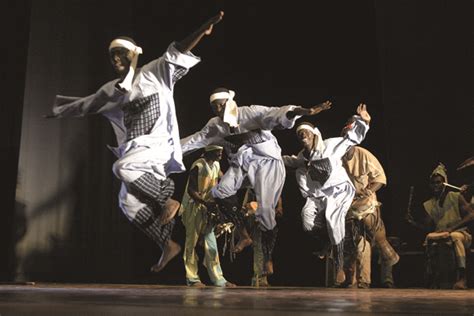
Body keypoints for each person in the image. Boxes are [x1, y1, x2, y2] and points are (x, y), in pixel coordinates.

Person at [46, 12, 224, 274]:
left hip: (157, 146)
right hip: (136, 151)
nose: (116, 58)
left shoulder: (155, 72)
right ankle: (168, 244)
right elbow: (87, 104)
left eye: (121, 53)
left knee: (121, 168)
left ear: (133, 54)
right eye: (112, 55)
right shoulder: (112, 89)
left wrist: (201, 30)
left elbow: (177, 50)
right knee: (127, 204)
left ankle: (166, 198)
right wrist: (58, 112)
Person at [181, 87, 331, 274]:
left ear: (229, 102)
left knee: (265, 214)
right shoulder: (215, 125)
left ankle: (267, 259)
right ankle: (244, 236)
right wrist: (167, 151)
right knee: (219, 192)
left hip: (267, 164)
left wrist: (302, 111)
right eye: (215, 107)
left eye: (221, 105)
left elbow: (276, 114)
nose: (219, 110)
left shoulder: (250, 113)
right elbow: (195, 140)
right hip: (242, 164)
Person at [282, 104, 371, 275]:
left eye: (305, 132)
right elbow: (286, 160)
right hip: (318, 196)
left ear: (314, 135)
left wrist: (364, 121)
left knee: (333, 220)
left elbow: (351, 139)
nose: (302, 135)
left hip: (338, 192)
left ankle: (339, 264)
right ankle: (327, 242)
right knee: (307, 221)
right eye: (299, 134)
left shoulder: (330, 146)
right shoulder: (302, 158)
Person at [407, 163, 474, 289]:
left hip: (462, 234)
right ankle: (433, 276)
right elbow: (428, 227)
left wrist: (451, 228)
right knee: (429, 238)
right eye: (433, 183)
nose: (436, 185)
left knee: (454, 236)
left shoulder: (455, 196)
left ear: (445, 183)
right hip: (442, 235)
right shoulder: (429, 204)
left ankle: (462, 278)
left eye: (439, 182)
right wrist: (413, 223)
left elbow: (471, 215)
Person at [341, 145, 399, 289]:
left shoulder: (364, 155)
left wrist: (368, 190)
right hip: (347, 205)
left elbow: (380, 178)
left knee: (366, 239)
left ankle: (369, 280)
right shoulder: (337, 155)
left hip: (366, 204)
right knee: (354, 242)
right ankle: (354, 279)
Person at [179, 145, 235, 287]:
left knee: (211, 243)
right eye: (218, 152)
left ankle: (218, 278)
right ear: (209, 151)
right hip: (194, 207)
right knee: (191, 243)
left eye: (222, 151)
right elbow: (192, 190)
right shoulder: (198, 165)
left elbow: (223, 180)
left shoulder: (216, 165)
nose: (221, 154)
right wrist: (205, 202)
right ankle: (192, 278)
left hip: (207, 208)